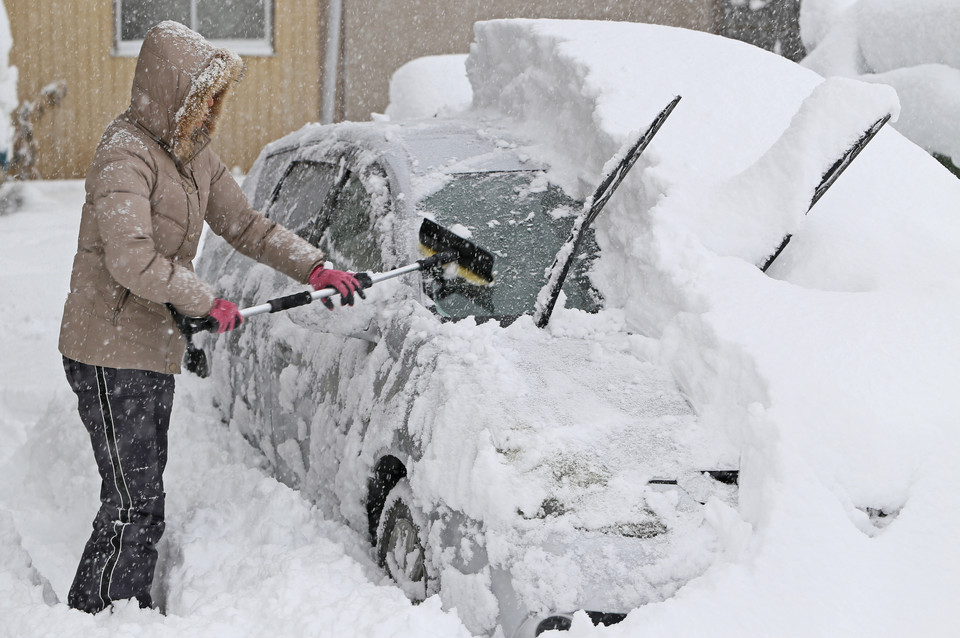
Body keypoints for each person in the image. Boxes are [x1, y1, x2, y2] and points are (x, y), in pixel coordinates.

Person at [58, 20, 363, 614]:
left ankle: (117, 611)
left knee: (140, 498)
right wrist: (203, 299)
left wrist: (315, 268)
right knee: (133, 503)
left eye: (218, 101)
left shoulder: (195, 157)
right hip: (105, 350)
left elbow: (247, 225)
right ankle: (97, 615)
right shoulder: (125, 154)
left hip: (150, 345)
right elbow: (130, 257)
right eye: (205, 99)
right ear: (173, 94)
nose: (213, 112)